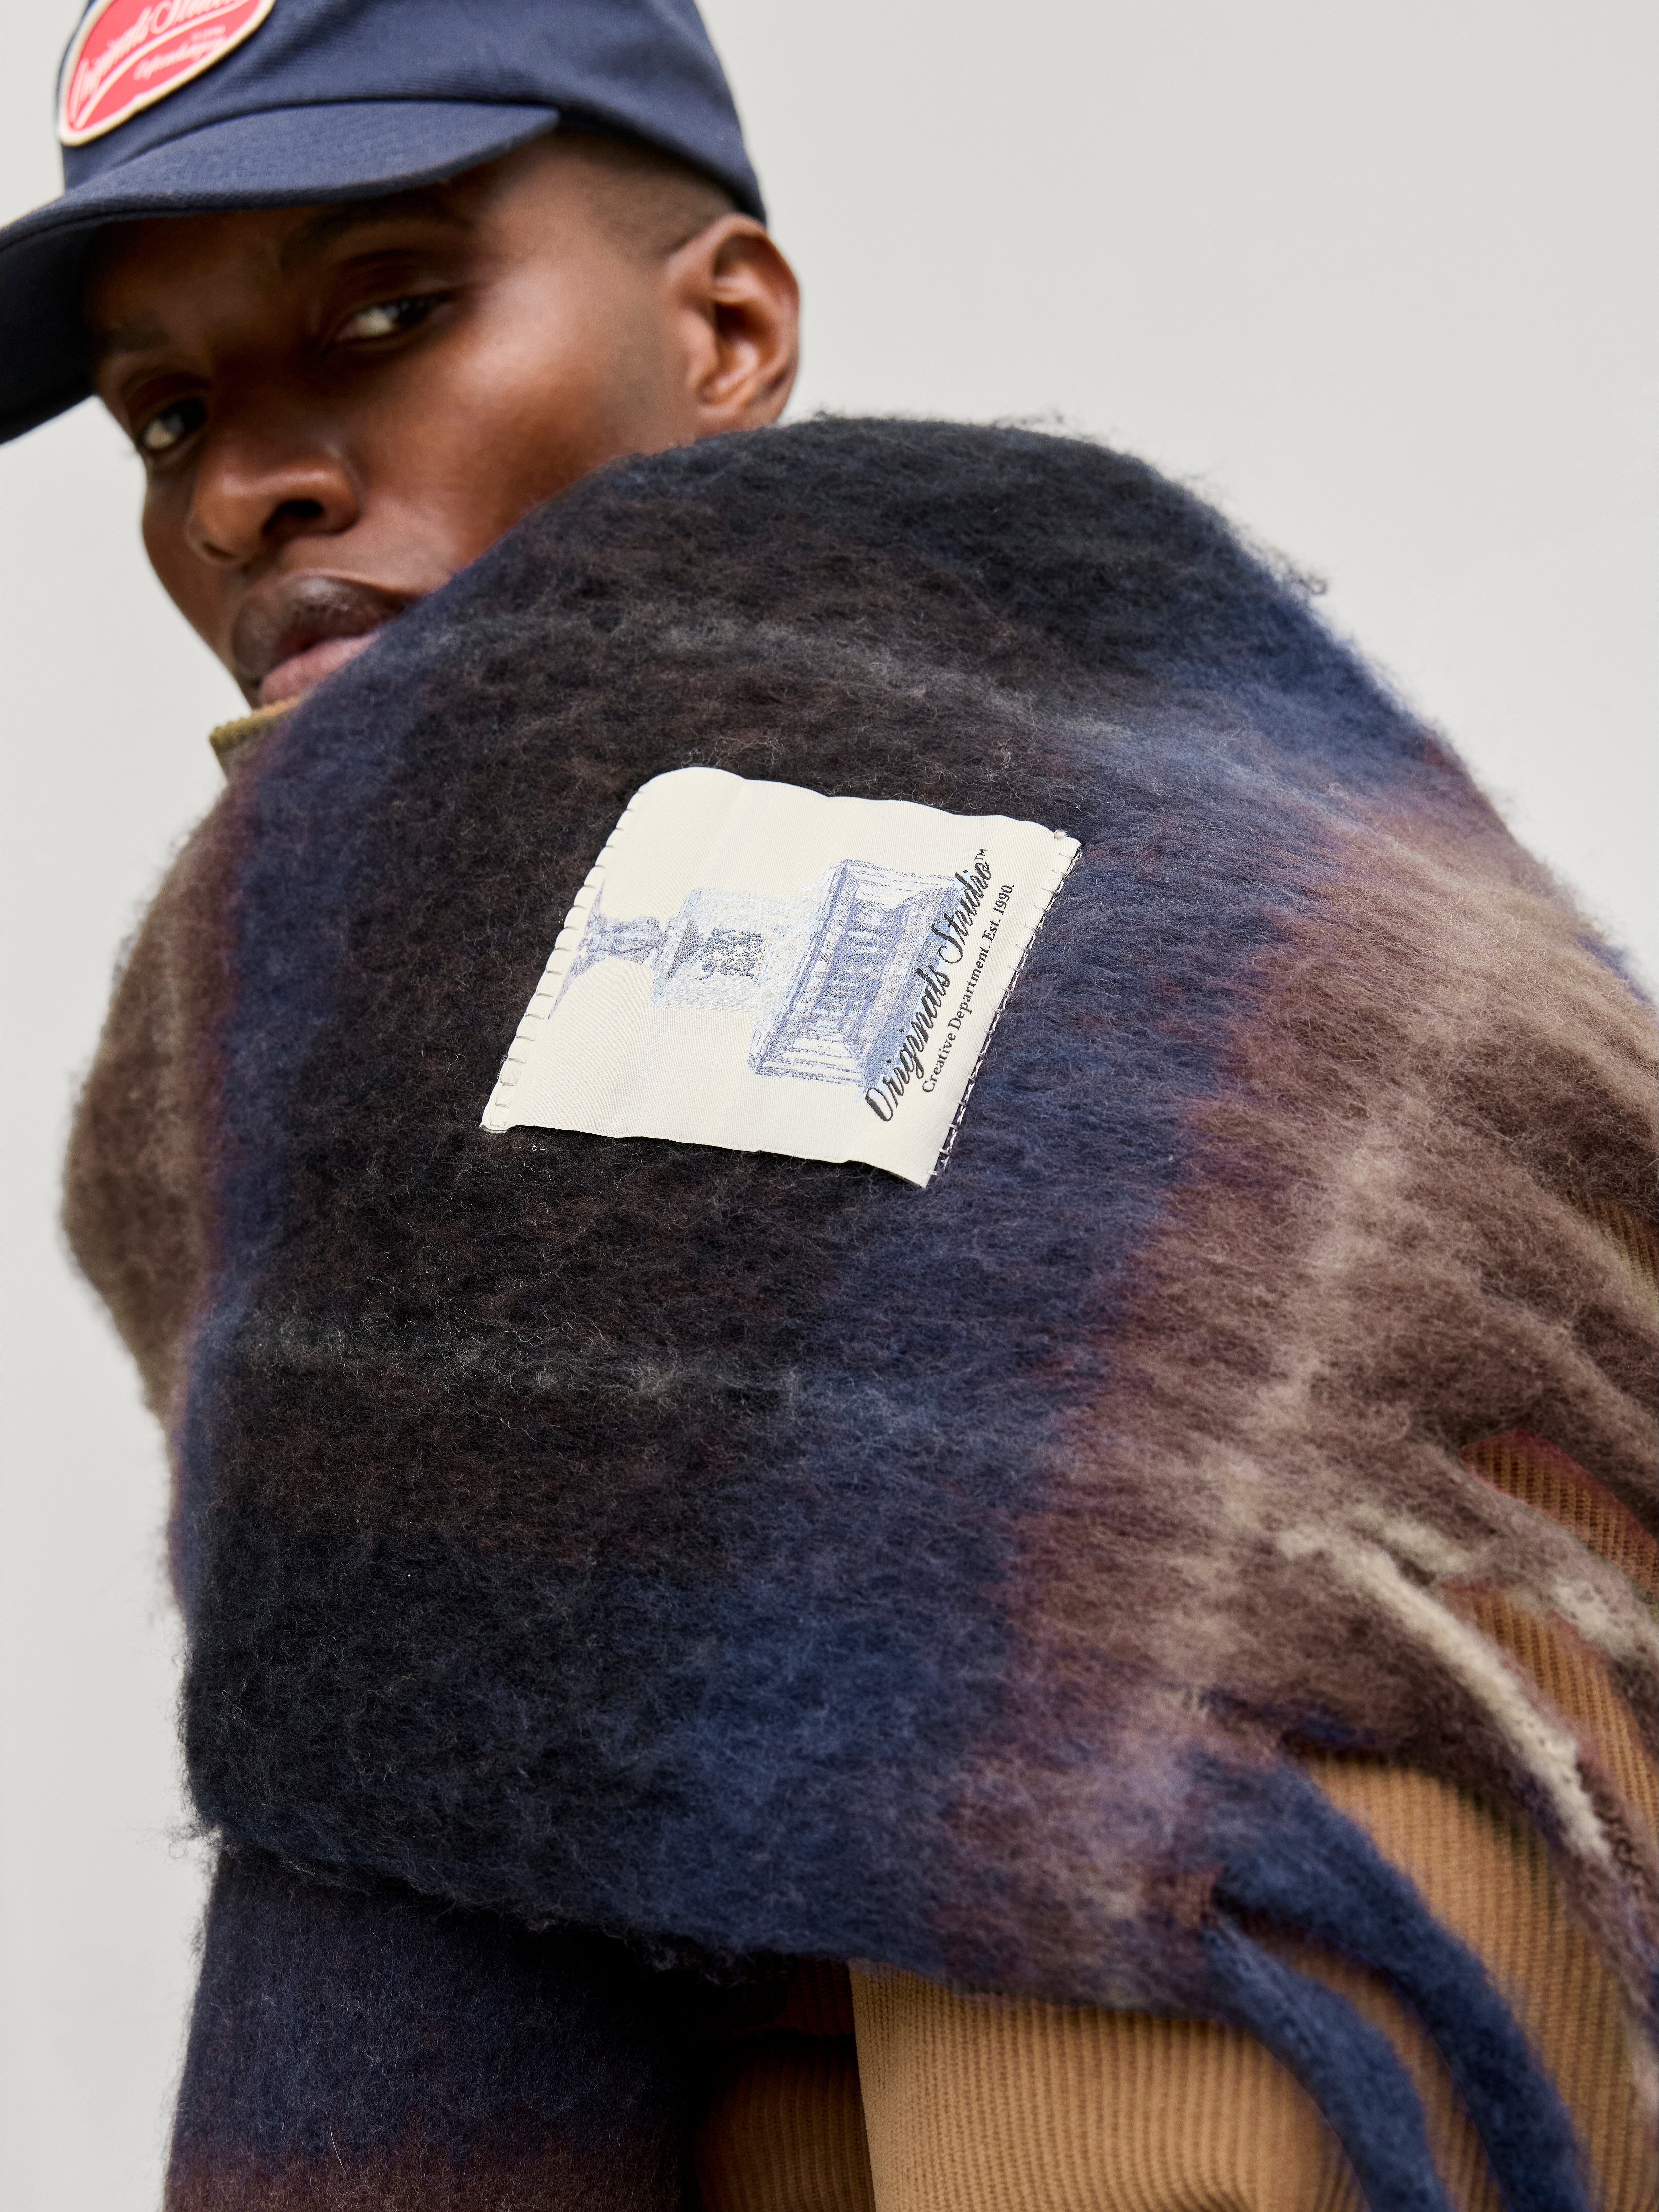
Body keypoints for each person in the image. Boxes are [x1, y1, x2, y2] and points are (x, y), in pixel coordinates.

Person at [5, 4, 1653, 2209]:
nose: (245, 493)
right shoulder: (332, 1014)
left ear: (728, 333)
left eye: (392, 310)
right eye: (171, 416)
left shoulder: (1131, 842)